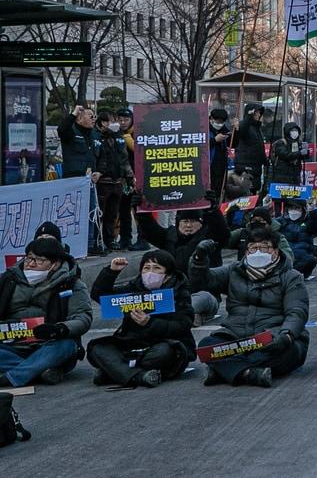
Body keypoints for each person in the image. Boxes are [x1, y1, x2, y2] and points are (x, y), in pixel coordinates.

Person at [189, 225, 310, 387]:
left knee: (289, 352)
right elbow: (204, 281)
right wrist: (199, 258)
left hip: (272, 337)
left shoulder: (290, 277)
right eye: (253, 248)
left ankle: (223, 369)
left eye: (264, 247)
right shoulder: (234, 271)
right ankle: (248, 373)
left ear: (275, 252)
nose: (258, 252)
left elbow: (297, 311)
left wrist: (286, 335)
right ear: (246, 252)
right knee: (207, 346)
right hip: (236, 337)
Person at [87, 249, 196, 388]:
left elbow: (183, 325)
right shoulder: (134, 288)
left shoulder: (179, 292)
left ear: (167, 275)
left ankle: (115, 372)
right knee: (98, 348)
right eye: (146, 268)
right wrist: (111, 272)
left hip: (163, 344)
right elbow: (101, 296)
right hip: (132, 345)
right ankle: (139, 377)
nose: (150, 273)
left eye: (157, 268)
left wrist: (150, 322)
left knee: (164, 353)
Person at [0, 237, 92, 387]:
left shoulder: (71, 284)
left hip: (50, 344)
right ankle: (39, 371)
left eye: (39, 260)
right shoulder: (9, 279)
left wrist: (60, 329)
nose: (30, 264)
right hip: (13, 345)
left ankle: (11, 377)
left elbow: (83, 317)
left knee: (67, 345)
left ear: (54, 264)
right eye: (29, 258)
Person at [137, 201, 230, 323]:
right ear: (178, 223)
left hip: (202, 295)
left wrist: (212, 209)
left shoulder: (210, 239)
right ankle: (183, 316)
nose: (188, 225)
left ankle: (183, 315)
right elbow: (150, 230)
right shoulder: (169, 236)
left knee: (201, 299)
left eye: (193, 221)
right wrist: (141, 209)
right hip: (173, 296)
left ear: (201, 223)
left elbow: (222, 232)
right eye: (185, 221)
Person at [93, 111, 134, 251]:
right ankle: (97, 241)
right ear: (103, 123)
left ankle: (110, 240)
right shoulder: (97, 137)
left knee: (113, 214)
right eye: (111, 121)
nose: (115, 124)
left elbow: (124, 159)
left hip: (117, 181)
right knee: (99, 214)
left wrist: (129, 177)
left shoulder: (119, 137)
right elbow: (98, 158)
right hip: (103, 182)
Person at [275, 197, 317, 278]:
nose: (294, 211)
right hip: (285, 256)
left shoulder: (308, 221)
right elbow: (269, 225)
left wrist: (312, 210)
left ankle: (293, 274)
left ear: (303, 210)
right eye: (291, 208)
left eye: (297, 208)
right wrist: (267, 207)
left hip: (303, 257)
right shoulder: (281, 221)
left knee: (311, 260)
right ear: (287, 209)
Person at [268, 122, 309, 190]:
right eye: (292, 130)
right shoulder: (282, 142)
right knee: (282, 196)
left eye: (296, 130)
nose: (295, 132)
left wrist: (306, 151)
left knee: (296, 196)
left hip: (295, 175)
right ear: (288, 131)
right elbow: (285, 155)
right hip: (282, 175)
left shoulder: (298, 143)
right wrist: (300, 153)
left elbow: (304, 157)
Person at [209, 108, 232, 199]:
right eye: (217, 121)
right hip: (210, 164)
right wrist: (214, 140)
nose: (219, 124)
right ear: (211, 119)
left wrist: (236, 131)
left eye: (222, 122)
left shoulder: (224, 130)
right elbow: (201, 144)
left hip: (222, 165)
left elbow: (233, 143)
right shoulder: (205, 128)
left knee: (220, 189)